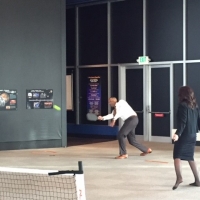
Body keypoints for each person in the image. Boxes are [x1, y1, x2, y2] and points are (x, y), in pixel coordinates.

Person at [172, 86, 200, 190]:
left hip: (185, 134)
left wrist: (177, 134)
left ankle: (179, 177)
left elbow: (183, 121)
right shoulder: (195, 106)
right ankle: (197, 180)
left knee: (177, 155)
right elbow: (198, 121)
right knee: (190, 156)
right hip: (193, 134)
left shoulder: (182, 106)